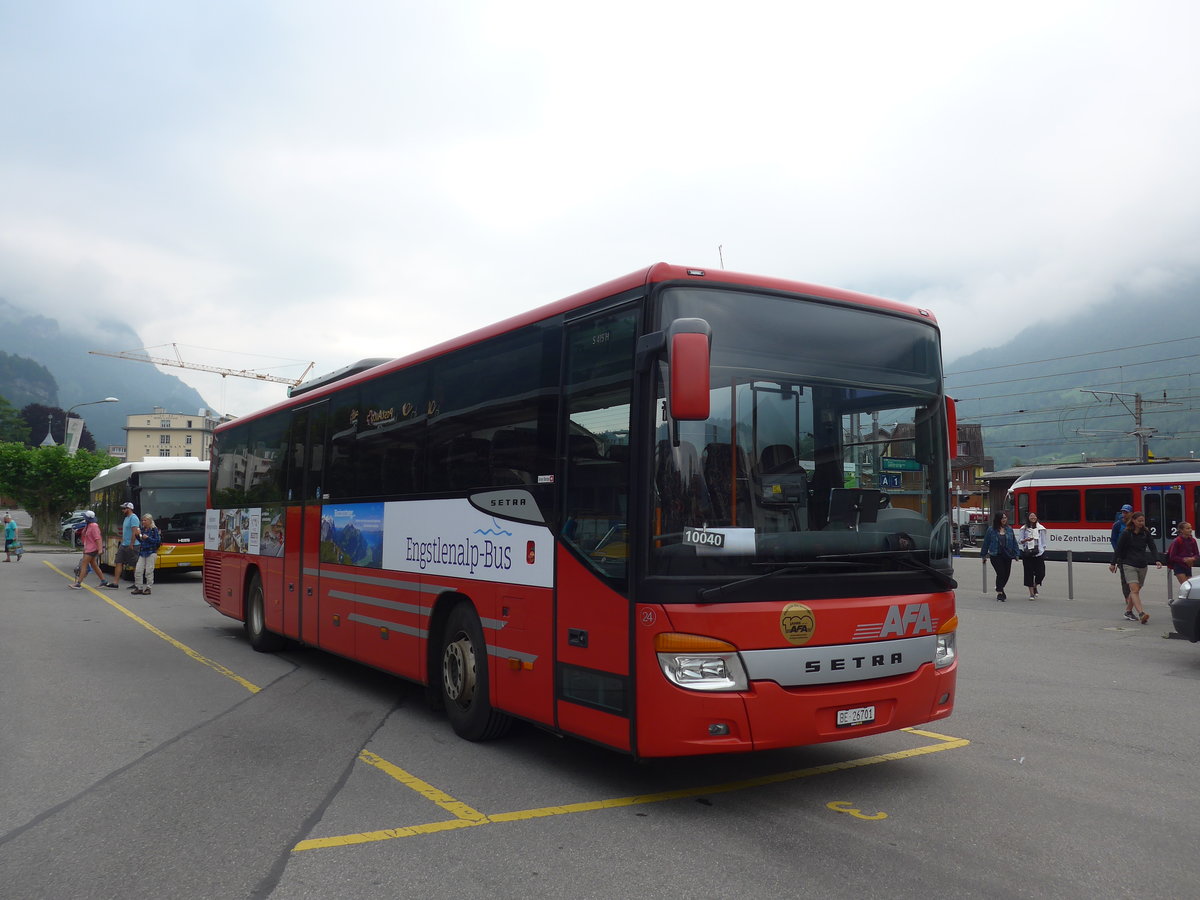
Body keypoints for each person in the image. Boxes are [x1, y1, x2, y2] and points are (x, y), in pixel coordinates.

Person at [1109, 510, 1162, 624]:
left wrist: (1157, 559)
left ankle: (1128, 611)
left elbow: (1152, 546)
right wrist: (1113, 563)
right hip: (1129, 564)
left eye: (1143, 521)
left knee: (1137, 589)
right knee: (1134, 590)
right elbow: (1118, 549)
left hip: (1142, 565)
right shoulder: (1126, 533)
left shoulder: (1146, 533)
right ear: (1133, 520)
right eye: (1139, 521)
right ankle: (1141, 613)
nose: (1141, 523)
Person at [70, 511, 119, 590]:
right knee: (94, 565)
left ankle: (78, 583)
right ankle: (103, 581)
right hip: (89, 548)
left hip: (92, 549)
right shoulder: (88, 525)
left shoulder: (94, 526)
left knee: (84, 564)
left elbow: (97, 538)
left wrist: (100, 549)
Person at [981, 511, 1020, 601]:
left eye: (1005, 518)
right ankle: (1000, 592)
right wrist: (983, 555)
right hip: (995, 555)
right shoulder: (991, 530)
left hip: (1007, 555)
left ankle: (999, 586)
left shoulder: (1009, 529)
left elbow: (1014, 542)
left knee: (1007, 574)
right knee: (1001, 573)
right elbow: (986, 543)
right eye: (1002, 518)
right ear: (998, 519)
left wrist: (1017, 553)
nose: (1004, 519)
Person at [1018, 512, 1048, 599]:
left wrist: (1042, 549)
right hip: (1027, 553)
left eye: (1034, 516)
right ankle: (1031, 593)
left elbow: (1043, 541)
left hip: (1038, 553)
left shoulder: (1041, 528)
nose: (1033, 517)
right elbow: (1019, 541)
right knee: (1028, 573)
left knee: (1041, 573)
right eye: (1031, 516)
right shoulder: (1023, 528)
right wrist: (1025, 540)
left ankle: (1035, 585)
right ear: (1028, 518)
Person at [112, 501, 141, 588]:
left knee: (134, 564)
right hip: (124, 544)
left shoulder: (134, 518)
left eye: (124, 508)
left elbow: (134, 532)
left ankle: (137, 583)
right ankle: (115, 583)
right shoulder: (126, 518)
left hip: (133, 544)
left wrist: (132, 543)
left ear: (129, 509)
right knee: (118, 561)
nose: (123, 510)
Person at [1110, 504, 1133, 610]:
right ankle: (1127, 597)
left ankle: (1133, 594)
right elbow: (1113, 539)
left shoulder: (1134, 524)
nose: (1124, 514)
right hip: (1121, 555)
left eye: (1126, 512)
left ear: (1131, 513)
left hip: (1132, 554)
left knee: (1133, 577)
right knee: (1124, 577)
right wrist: (1117, 551)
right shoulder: (1117, 525)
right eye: (1123, 512)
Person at [131, 513, 161, 595]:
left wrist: (148, 538)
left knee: (149, 571)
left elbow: (157, 541)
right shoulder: (143, 529)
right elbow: (141, 540)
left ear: (150, 521)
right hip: (143, 552)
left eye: (145, 520)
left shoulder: (154, 530)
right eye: (142, 520)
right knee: (138, 570)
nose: (143, 522)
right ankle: (139, 587)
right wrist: (137, 535)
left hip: (151, 552)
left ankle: (148, 588)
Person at [1166, 521, 1198, 587]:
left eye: (1190, 528)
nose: (1190, 530)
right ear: (1181, 530)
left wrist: (1192, 558)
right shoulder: (1177, 541)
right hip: (1179, 566)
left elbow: (1197, 554)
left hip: (1188, 566)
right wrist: (1184, 559)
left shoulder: (1193, 540)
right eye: (1188, 528)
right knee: (1186, 586)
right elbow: (1172, 556)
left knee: (1190, 587)